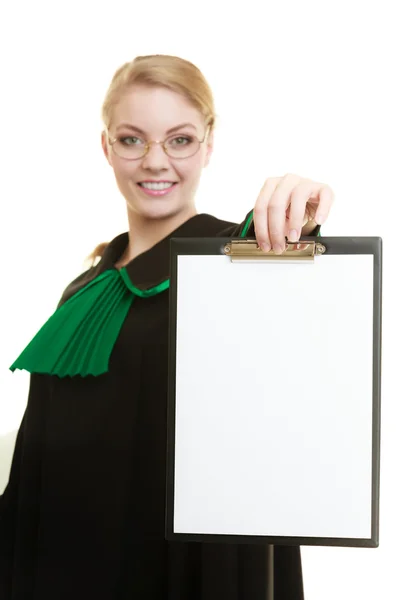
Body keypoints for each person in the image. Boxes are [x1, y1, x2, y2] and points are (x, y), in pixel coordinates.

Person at [0, 54, 334, 599]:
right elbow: (35, 468)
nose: (156, 161)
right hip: (63, 569)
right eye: (132, 139)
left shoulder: (237, 259)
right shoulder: (83, 290)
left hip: (176, 576)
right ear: (106, 147)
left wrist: (300, 208)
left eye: (178, 140)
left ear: (208, 143)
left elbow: (302, 328)